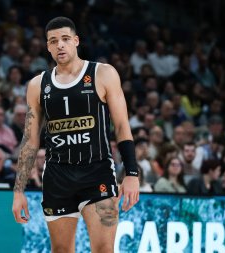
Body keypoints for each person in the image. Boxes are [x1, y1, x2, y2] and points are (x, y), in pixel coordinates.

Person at [12, 17, 140, 253]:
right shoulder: (38, 85)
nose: (59, 45)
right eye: (53, 41)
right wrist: (18, 190)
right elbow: (30, 141)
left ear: (76, 41)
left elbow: (122, 125)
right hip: (57, 176)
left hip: (97, 171)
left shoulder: (103, 73)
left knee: (103, 249)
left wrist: (131, 172)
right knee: (61, 250)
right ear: (48, 47)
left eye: (65, 39)